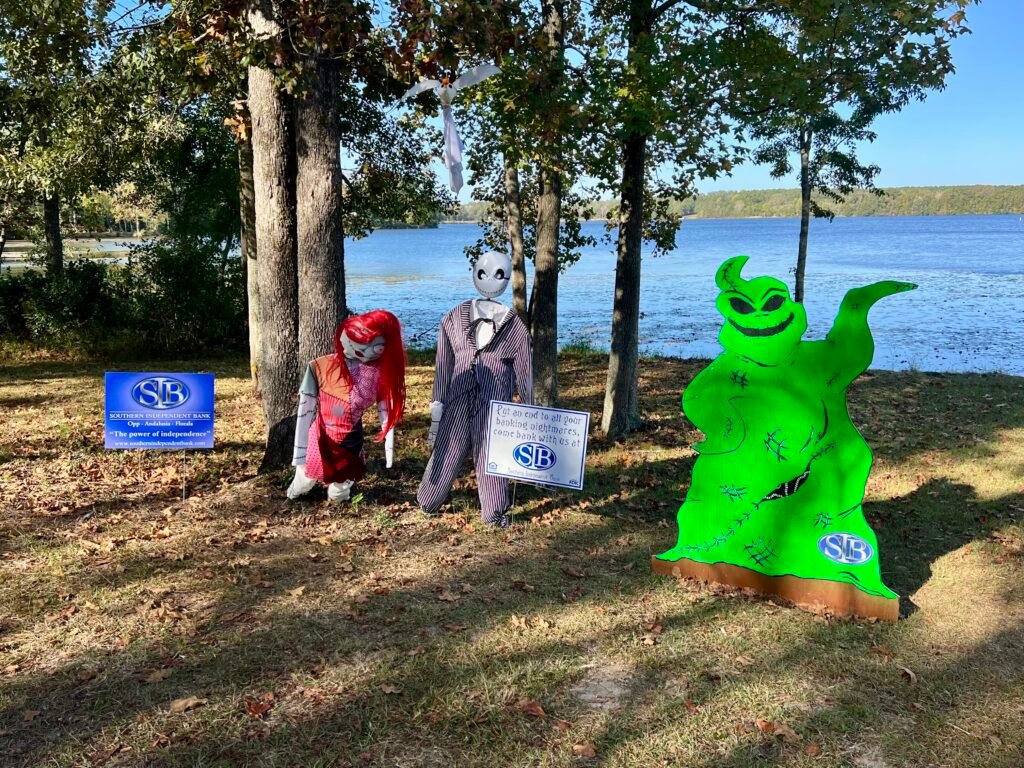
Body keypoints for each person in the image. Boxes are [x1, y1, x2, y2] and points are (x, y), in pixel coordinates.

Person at [417, 251, 533, 526]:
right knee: (447, 446)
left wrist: (530, 411)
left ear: (506, 279)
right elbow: (443, 366)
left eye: (499, 274)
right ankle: (428, 499)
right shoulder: (454, 317)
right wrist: (437, 405)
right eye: (483, 272)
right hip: (456, 398)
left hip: (494, 404)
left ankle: (494, 512)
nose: (490, 279)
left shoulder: (514, 327)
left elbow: (525, 372)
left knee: (492, 454)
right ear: (475, 274)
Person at [287, 310, 406, 502]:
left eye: (374, 346)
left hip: (350, 439)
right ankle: (294, 494)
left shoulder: (380, 374)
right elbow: (305, 410)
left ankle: (338, 503)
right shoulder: (321, 366)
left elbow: (386, 410)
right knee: (306, 476)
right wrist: (299, 453)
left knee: (342, 483)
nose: (361, 350)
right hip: (321, 435)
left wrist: (388, 442)